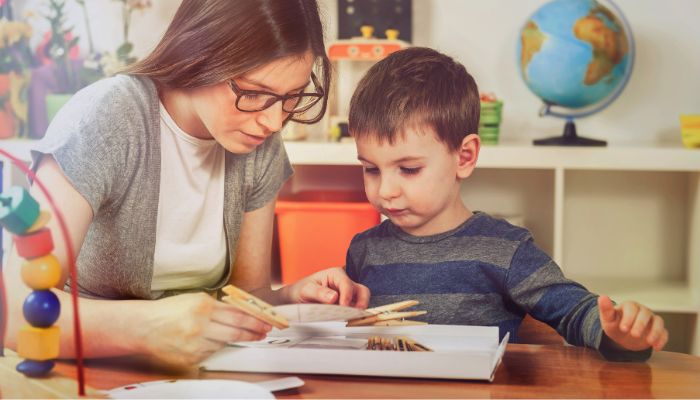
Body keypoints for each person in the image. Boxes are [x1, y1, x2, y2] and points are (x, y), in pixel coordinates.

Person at [3, 0, 369, 367]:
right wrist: (147, 327)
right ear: (200, 53)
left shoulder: (258, 144)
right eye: (254, 94)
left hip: (195, 377)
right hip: (86, 377)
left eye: (291, 98)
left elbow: (242, 298)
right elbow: (16, 312)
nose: (274, 122)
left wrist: (288, 297)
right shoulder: (107, 119)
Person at [345, 47, 667, 360]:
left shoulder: (505, 250)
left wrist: (620, 335)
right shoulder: (363, 251)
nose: (385, 190)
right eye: (371, 169)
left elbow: (575, 311)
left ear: (465, 157)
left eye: (409, 169)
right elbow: (346, 336)